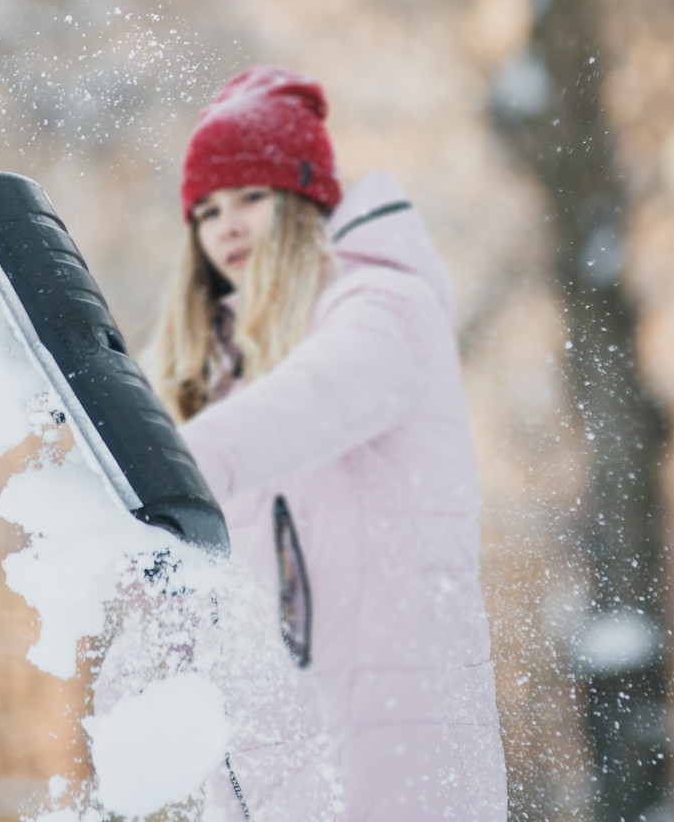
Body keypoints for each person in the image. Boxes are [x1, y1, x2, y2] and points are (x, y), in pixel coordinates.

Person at [145, 66, 507, 821]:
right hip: (271, 761)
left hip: (391, 744)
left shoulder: (386, 309)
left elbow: (313, 400)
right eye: (207, 210)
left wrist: (165, 463)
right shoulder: (224, 374)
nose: (228, 226)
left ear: (307, 198)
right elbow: (192, 591)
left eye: (252, 196)